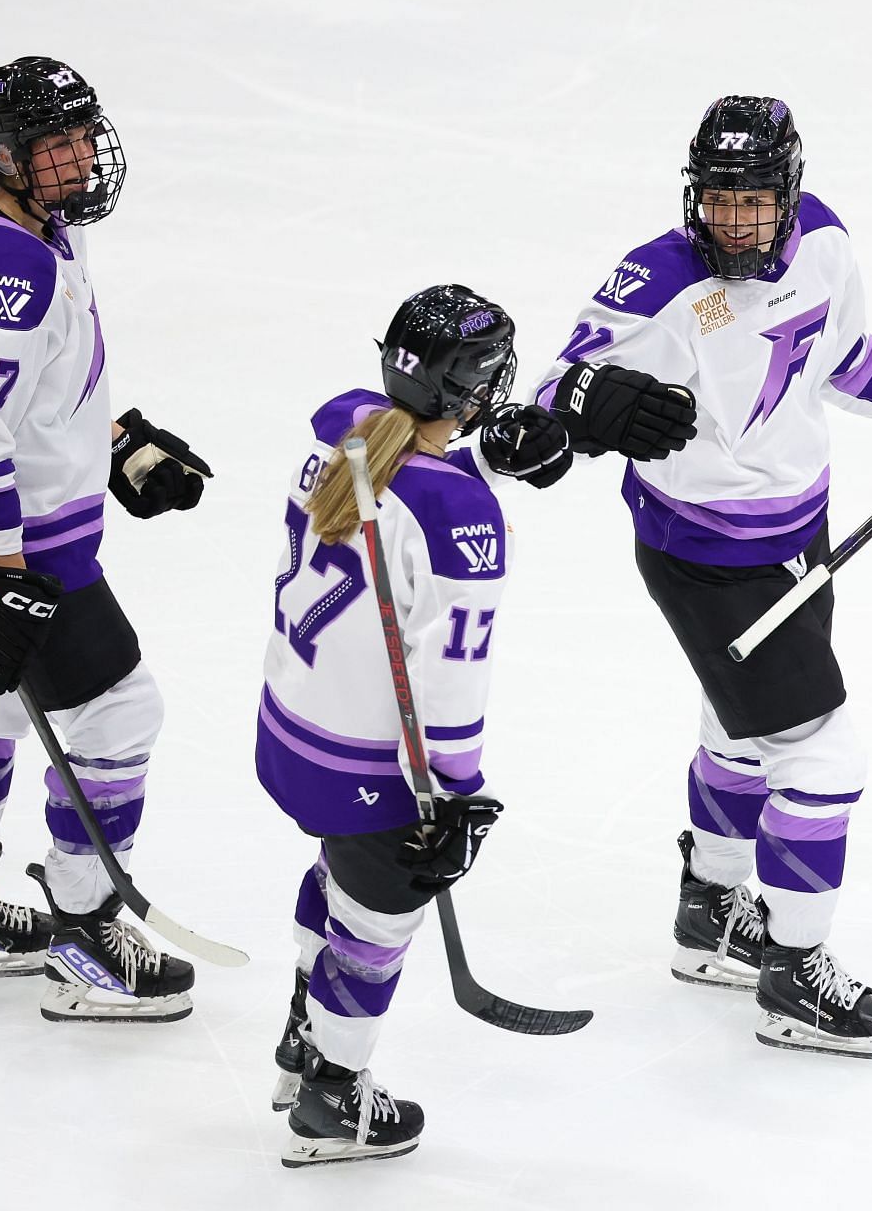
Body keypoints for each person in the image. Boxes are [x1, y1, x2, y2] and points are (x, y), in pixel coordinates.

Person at [532, 95, 872, 1059]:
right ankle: (794, 974)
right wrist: (597, 404)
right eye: (718, 202)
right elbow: (553, 395)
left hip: (798, 535)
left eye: (754, 201)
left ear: (790, 192)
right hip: (705, 557)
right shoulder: (659, 280)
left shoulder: (826, 246)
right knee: (821, 757)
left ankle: (713, 915)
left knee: (740, 727)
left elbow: (838, 360)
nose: (734, 222)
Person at [0, 56, 210, 1023]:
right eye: (51, 146)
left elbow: (11, 395)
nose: (75, 161)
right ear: (3, 155)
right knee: (119, 715)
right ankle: (86, 936)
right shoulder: (12, 262)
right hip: (9, 535)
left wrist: (112, 442)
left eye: (79, 137)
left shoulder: (8, 222)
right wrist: (8, 572)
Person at [257, 284, 570, 1167]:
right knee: (378, 921)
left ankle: (304, 1035)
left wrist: (488, 463)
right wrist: (456, 796)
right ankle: (332, 1095)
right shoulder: (459, 515)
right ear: (467, 386)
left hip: (290, 734)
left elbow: (408, 489)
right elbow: (451, 676)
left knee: (337, 874)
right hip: (371, 766)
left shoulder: (340, 443)